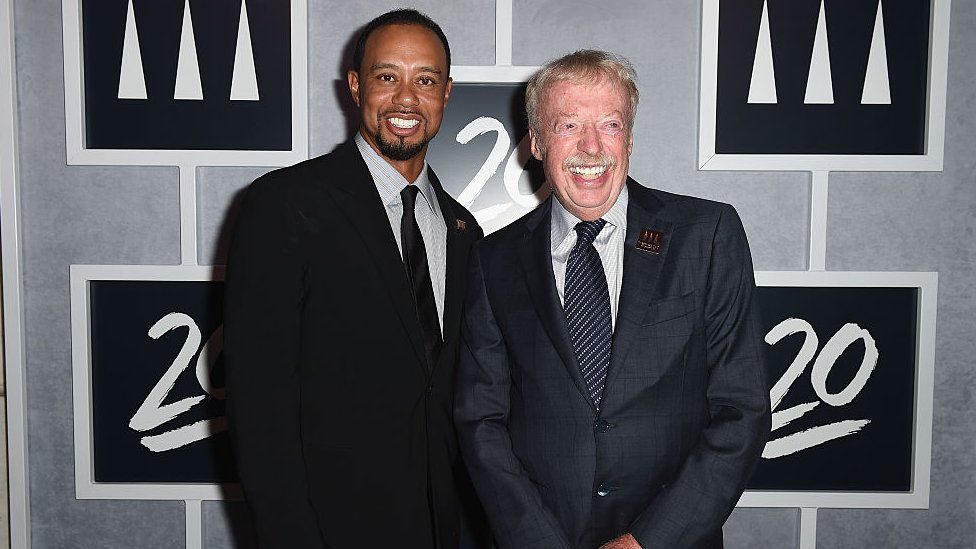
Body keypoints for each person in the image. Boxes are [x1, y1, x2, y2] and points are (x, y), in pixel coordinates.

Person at [455, 50, 770, 549]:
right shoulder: (494, 260)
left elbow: (743, 410)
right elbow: (481, 421)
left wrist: (646, 541)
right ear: (536, 142)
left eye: (610, 124)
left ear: (630, 137)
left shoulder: (706, 236)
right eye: (568, 126)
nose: (591, 147)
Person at [224, 9, 483, 549]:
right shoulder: (285, 206)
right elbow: (259, 404)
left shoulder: (463, 230)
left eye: (426, 80)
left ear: (447, 93)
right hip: (331, 527)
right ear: (356, 85)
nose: (407, 99)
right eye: (388, 77)